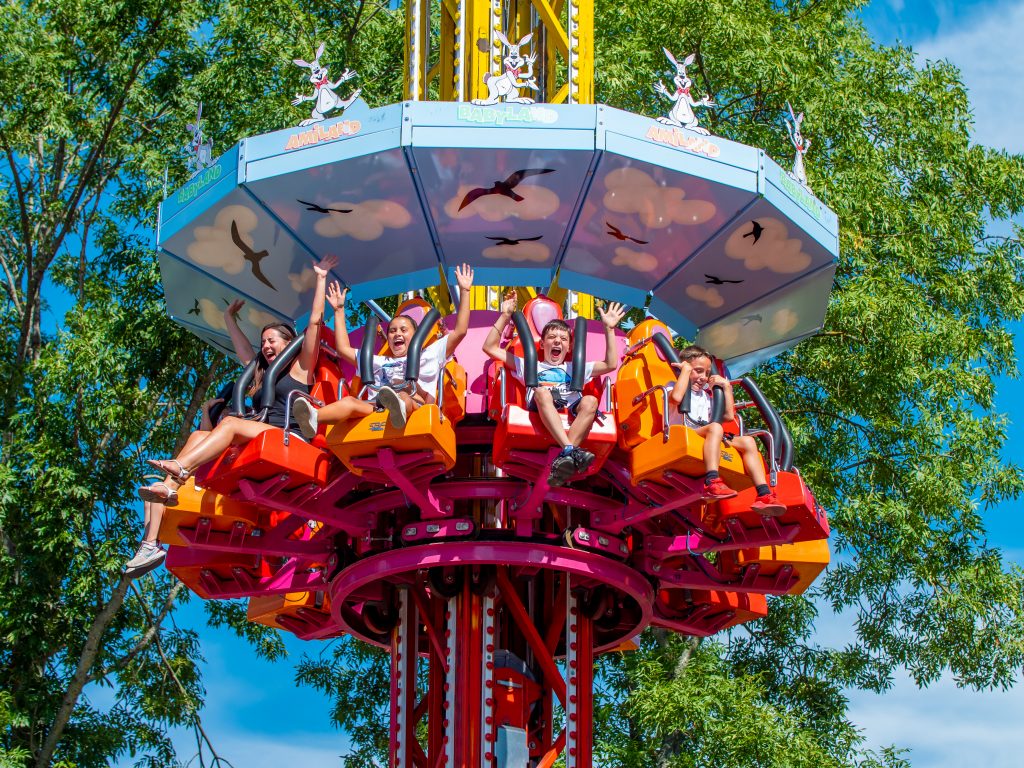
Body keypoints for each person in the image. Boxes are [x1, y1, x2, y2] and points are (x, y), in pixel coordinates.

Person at [130, 254, 338, 577]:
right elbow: (243, 350)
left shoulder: (301, 368)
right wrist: (229, 318)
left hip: (289, 438)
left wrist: (321, 278)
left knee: (228, 425)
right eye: (263, 341)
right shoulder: (261, 374)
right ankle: (152, 538)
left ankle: (181, 470)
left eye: (272, 340)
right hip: (258, 436)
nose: (265, 345)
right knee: (199, 435)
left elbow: (313, 324)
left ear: (288, 343)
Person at [292, 264, 474, 436]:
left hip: (415, 405)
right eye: (392, 331)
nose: (397, 334)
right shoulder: (379, 361)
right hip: (377, 407)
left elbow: (460, 331)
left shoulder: (430, 353)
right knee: (349, 403)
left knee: (402, 395)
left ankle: (399, 410)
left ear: (416, 335)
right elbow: (343, 349)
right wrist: (339, 311)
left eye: (403, 330)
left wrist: (465, 291)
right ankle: (314, 417)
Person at [483, 291, 625, 486]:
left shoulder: (576, 368)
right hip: (541, 405)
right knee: (542, 392)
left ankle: (566, 455)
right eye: (552, 337)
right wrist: (505, 315)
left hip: (571, 407)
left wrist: (609, 329)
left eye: (563, 339)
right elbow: (489, 348)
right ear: (542, 344)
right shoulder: (529, 365)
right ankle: (570, 450)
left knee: (591, 400)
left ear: (570, 347)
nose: (558, 341)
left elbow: (610, 364)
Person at [668, 345, 784, 515]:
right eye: (698, 371)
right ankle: (712, 480)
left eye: (707, 373)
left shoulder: (705, 396)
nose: (703, 377)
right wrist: (684, 372)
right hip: (683, 432)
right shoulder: (673, 385)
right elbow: (676, 398)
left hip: (706, 433)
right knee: (715, 427)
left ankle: (764, 494)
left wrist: (727, 387)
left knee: (748, 441)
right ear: (684, 366)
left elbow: (728, 416)